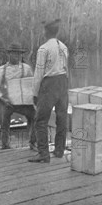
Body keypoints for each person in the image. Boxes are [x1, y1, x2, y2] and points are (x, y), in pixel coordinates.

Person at [29, 19, 69, 163]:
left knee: (40, 120)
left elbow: (39, 73)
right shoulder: (64, 47)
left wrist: (35, 93)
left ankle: (44, 154)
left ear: (45, 32)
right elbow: (66, 69)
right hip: (63, 82)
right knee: (62, 118)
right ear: (56, 32)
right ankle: (59, 150)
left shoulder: (43, 49)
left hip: (49, 84)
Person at [0, 42, 36, 150]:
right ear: (9, 54)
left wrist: (32, 97)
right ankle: (5, 145)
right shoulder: (1, 70)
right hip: (7, 102)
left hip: (23, 102)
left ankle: (33, 142)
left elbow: (32, 85)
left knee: (34, 115)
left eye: (19, 54)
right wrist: (2, 99)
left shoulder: (27, 68)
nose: (17, 56)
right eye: (14, 54)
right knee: (4, 120)